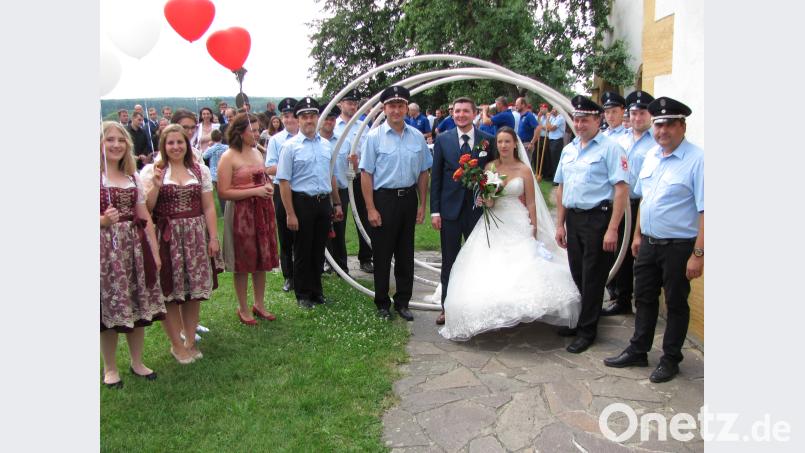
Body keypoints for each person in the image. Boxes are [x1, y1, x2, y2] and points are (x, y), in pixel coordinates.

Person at [439, 127, 581, 340]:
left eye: (507, 141)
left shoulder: (524, 170)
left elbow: (531, 202)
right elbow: (489, 200)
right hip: (493, 222)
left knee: (523, 261)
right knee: (487, 263)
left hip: (517, 220)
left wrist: (533, 226)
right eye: (500, 142)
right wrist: (486, 199)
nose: (503, 145)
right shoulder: (489, 166)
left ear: (515, 144)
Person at [603, 97, 704, 383]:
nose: (662, 131)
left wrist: (698, 254)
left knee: (675, 303)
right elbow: (645, 200)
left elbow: (706, 210)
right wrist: (636, 235)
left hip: (678, 246)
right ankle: (638, 349)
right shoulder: (652, 156)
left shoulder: (697, 160)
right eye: (658, 125)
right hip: (648, 241)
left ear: (682, 126)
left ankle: (671, 359)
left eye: (669, 125)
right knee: (644, 298)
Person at [553, 95, 629, 354]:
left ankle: (587, 331)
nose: (579, 124)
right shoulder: (569, 149)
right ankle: (583, 321)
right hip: (573, 218)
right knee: (577, 273)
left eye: (585, 119)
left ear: (597, 120)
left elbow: (620, 190)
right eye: (576, 119)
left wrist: (613, 228)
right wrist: (560, 224)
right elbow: (561, 187)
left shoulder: (611, 148)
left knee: (593, 277)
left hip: (598, 218)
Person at [142, 124, 221, 364]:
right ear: (163, 147)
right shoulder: (153, 171)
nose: (176, 147)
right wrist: (155, 185)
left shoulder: (199, 171)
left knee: (192, 291)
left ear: (186, 145)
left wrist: (213, 237)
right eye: (171, 143)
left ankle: (189, 341)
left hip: (195, 235)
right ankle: (176, 344)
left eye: (180, 142)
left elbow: (208, 206)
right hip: (168, 236)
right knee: (171, 292)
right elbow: (147, 209)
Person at [100, 121, 164, 388]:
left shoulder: (132, 177)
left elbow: (144, 215)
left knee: (137, 304)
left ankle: (137, 361)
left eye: (120, 140)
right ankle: (110, 367)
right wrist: (101, 220)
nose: (115, 145)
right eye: (109, 140)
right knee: (110, 308)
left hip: (133, 248)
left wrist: (154, 250)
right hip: (104, 252)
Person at [360, 85, 432, 321]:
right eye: (392, 106)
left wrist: (422, 205)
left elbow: (423, 172)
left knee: (405, 253)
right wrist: (370, 208)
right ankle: (382, 303)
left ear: (406, 108)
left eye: (401, 105)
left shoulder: (417, 137)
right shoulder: (374, 138)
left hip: (408, 199)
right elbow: (366, 174)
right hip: (384, 200)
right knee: (381, 254)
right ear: (384, 108)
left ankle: (403, 301)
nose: (396, 110)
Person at [430, 97, 496, 326]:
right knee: (449, 260)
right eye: (456, 111)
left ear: (474, 113)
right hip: (449, 211)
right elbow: (436, 177)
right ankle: (447, 308)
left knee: (477, 260)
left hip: (477, 211)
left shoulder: (488, 141)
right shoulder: (443, 140)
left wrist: (490, 196)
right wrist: (434, 211)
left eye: (465, 111)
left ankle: (475, 305)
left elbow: (493, 173)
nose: (460, 115)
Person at [277, 98, 344, 309]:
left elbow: (330, 175)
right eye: (304, 116)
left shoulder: (326, 145)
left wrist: (337, 203)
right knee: (303, 250)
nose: (309, 120)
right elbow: (284, 182)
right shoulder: (290, 147)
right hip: (302, 203)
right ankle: (303, 294)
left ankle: (317, 291)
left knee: (318, 250)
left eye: (312, 116)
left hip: (322, 202)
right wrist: (290, 213)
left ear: (317, 118)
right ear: (298, 120)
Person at [217, 112, 280, 324]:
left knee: (261, 260)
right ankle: (243, 308)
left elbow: (263, 178)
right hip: (240, 215)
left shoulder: (257, 153)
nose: (256, 134)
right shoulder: (228, 157)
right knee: (244, 262)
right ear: (240, 132)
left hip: (261, 212)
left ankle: (259, 304)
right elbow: (223, 192)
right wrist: (254, 191)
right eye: (252, 130)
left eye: (257, 129)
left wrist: (267, 187)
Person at [602, 90, 657, 316]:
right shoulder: (620, 139)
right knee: (618, 252)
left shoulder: (655, 142)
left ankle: (639, 297)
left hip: (640, 203)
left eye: (642, 113)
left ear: (650, 115)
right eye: (633, 113)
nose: (637, 118)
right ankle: (621, 297)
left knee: (637, 253)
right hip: (619, 202)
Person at [334, 89, 374, 274]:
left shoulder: (364, 126)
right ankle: (337, 261)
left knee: (364, 217)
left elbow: (368, 151)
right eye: (349, 102)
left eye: (355, 103)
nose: (353, 106)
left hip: (359, 178)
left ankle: (366, 258)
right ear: (341, 104)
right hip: (340, 179)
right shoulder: (333, 125)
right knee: (338, 220)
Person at [265, 98, 299, 292]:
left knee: (304, 234)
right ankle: (289, 276)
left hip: (302, 190)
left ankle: (306, 272)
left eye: (292, 116)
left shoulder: (309, 137)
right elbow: (269, 168)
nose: (289, 120)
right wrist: (289, 167)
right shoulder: (276, 140)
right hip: (282, 189)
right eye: (285, 116)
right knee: (285, 235)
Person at [320, 105, 351, 275]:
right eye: (326, 118)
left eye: (332, 119)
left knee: (339, 229)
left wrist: (353, 161)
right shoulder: (316, 141)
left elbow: (350, 166)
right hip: (323, 191)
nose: (329, 122)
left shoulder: (343, 141)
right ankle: (326, 263)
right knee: (323, 229)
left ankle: (342, 266)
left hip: (340, 190)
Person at [202, 128, 228, 214]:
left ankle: (223, 210)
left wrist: (209, 146)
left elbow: (204, 156)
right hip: (226, 171)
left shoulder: (211, 149)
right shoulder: (226, 147)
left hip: (214, 174)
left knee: (219, 193)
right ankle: (228, 208)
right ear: (221, 137)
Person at [545, 107, 567, 180]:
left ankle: (557, 179)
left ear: (557, 110)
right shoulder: (553, 118)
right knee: (550, 159)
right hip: (551, 140)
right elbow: (547, 127)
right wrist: (548, 123)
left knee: (556, 160)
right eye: (552, 109)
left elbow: (551, 128)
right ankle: (551, 176)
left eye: (553, 109)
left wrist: (547, 119)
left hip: (557, 141)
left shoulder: (560, 118)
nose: (551, 111)